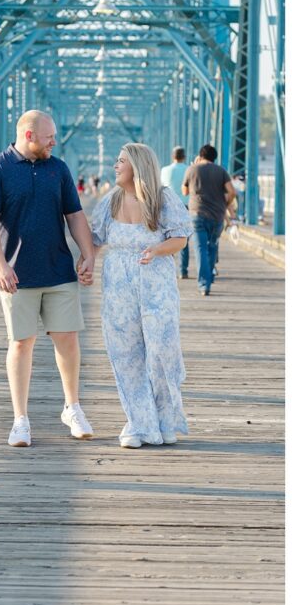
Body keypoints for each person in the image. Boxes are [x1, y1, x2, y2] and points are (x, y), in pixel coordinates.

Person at [0, 110, 97, 448]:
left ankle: (72, 408)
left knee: (68, 339)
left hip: (58, 269)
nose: (54, 142)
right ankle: (20, 419)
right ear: (29, 135)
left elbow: (74, 215)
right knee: (21, 343)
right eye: (49, 137)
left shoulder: (58, 169)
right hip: (16, 273)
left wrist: (87, 254)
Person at [90, 143, 192, 448]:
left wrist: (157, 250)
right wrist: (87, 261)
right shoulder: (110, 201)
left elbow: (180, 238)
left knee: (161, 349)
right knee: (126, 353)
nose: (115, 166)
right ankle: (139, 423)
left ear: (137, 165)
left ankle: (165, 418)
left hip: (156, 282)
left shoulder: (163, 199)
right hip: (118, 285)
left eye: (121, 161)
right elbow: (95, 238)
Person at [182, 144, 235, 296]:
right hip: (217, 215)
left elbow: (184, 191)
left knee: (200, 249)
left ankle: (204, 284)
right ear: (214, 157)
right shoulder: (221, 171)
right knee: (212, 247)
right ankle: (209, 275)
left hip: (197, 214)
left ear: (200, 155)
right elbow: (232, 191)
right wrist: (225, 202)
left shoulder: (192, 170)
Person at [159, 146, 191, 278]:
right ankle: (183, 270)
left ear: (173, 156)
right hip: (186, 207)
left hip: (169, 207)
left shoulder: (165, 170)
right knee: (183, 239)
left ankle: (169, 267)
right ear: (184, 156)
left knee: (168, 239)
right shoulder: (189, 169)